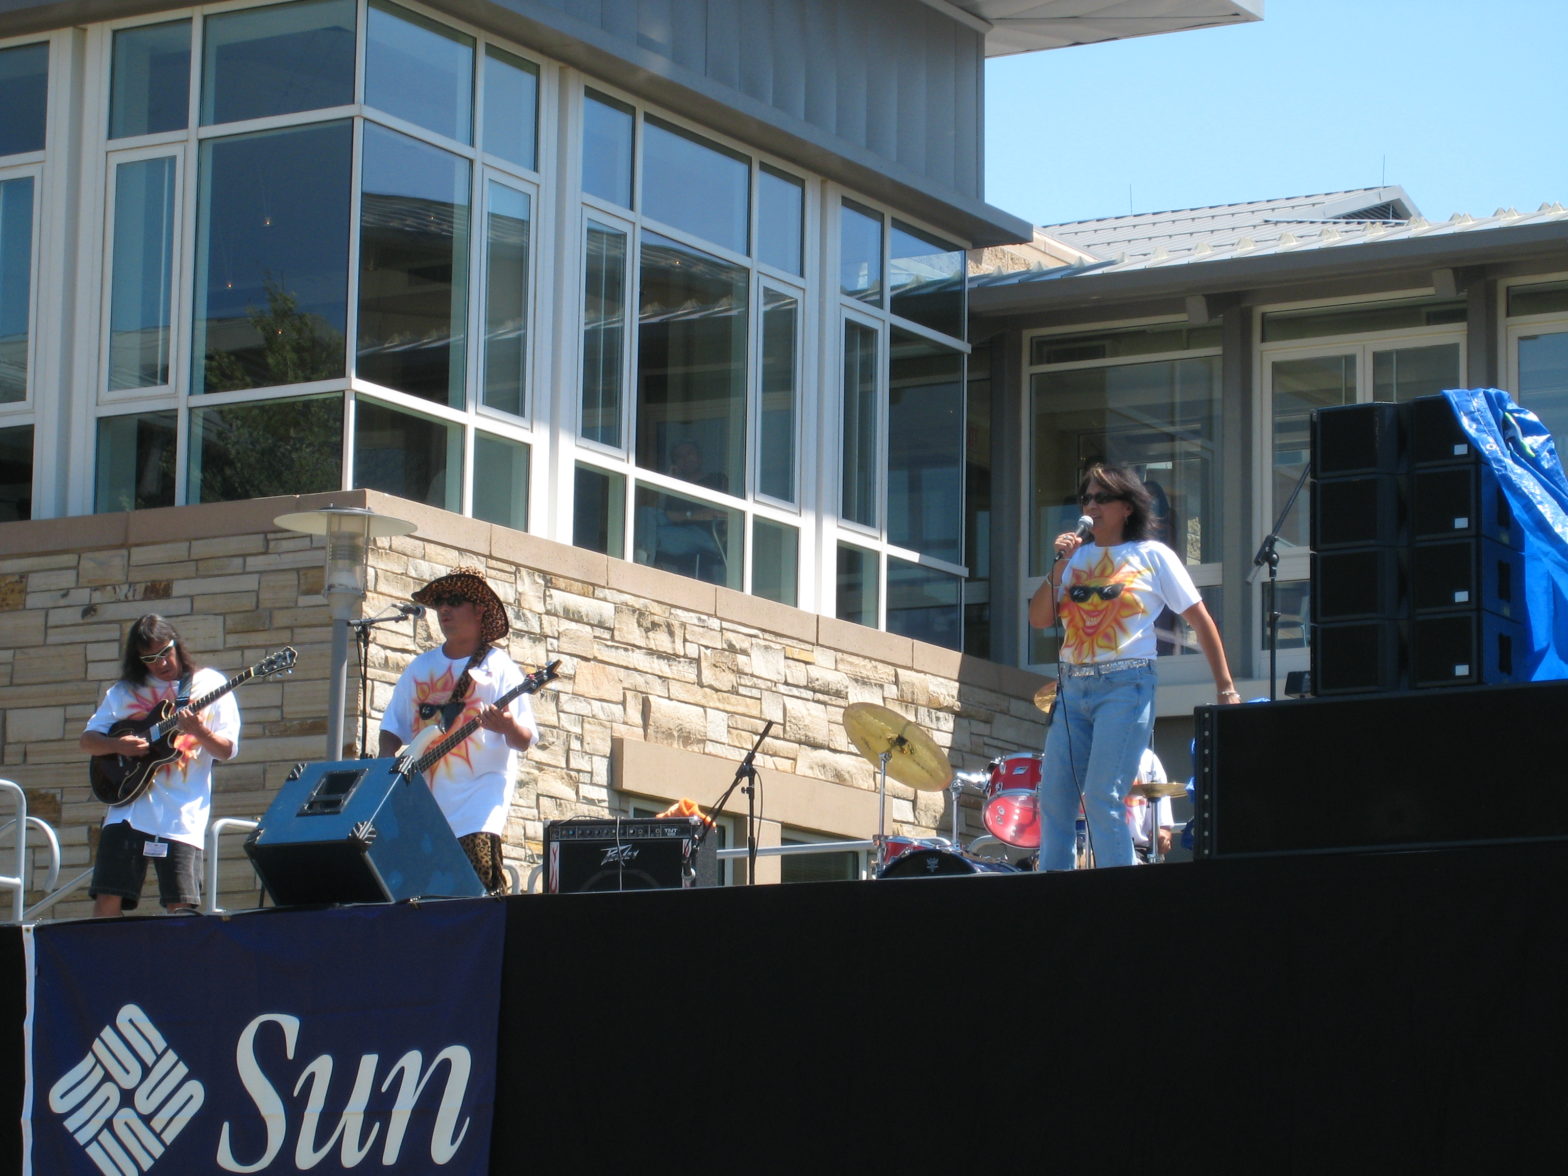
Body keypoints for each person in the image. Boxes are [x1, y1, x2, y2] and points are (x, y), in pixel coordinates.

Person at [1027, 463, 1239, 870]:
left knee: (1104, 794)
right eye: (1086, 498)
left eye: (1102, 498)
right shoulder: (1075, 559)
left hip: (1125, 684)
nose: (1092, 506)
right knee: (1054, 797)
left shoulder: (1151, 555)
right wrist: (1058, 566)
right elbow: (1038, 618)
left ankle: (1117, 891)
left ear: (1127, 507)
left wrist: (1225, 687)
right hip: (1072, 689)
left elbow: (1200, 620)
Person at [379, 566, 538, 893]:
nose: (444, 610)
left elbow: (523, 741)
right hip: (423, 806)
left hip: (477, 806)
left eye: (454, 601)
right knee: (416, 895)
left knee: (476, 892)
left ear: (479, 610)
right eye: (440, 603)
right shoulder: (421, 667)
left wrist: (506, 725)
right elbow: (392, 727)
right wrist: (388, 770)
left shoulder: (500, 668)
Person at [79, 614, 241, 916]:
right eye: (150, 658)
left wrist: (200, 731)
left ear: (176, 644)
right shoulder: (124, 691)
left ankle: (180, 963)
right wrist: (118, 745)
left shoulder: (210, 684)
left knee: (180, 904)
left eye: (165, 652)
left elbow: (227, 750)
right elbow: (88, 741)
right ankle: (104, 960)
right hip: (128, 810)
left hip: (181, 816)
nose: (161, 663)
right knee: (108, 895)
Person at [1126, 747, 1175, 864]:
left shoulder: (1148, 760)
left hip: (1138, 850)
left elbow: (1164, 829)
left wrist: (1162, 838)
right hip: (1091, 848)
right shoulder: (1082, 754)